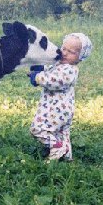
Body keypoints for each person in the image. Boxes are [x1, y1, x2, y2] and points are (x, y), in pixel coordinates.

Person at [28, 33, 92, 161]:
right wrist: (39, 67)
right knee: (61, 133)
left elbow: (53, 80)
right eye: (64, 49)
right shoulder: (60, 64)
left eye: (71, 52)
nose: (65, 53)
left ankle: (58, 147)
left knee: (38, 129)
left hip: (56, 110)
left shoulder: (70, 70)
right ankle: (66, 158)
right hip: (61, 109)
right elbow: (49, 71)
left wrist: (37, 77)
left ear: (80, 57)